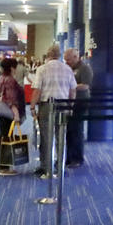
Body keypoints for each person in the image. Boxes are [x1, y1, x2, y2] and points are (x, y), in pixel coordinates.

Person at [29, 45, 76, 178]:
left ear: (48, 55)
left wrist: (32, 106)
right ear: (59, 55)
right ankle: (60, 166)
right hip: (63, 105)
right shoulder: (67, 69)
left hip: (47, 105)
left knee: (46, 137)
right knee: (61, 137)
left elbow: (37, 90)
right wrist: (71, 106)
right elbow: (73, 90)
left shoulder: (42, 69)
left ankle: (46, 167)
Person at [0, 57, 25, 176]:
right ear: (12, 68)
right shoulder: (10, 80)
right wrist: (16, 113)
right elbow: (11, 99)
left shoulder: (1, 78)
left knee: (4, 137)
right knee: (7, 138)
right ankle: (4, 167)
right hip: (8, 111)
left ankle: (3, 165)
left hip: (1, 110)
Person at [63, 48, 93, 168]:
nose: (66, 62)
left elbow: (85, 86)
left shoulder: (85, 68)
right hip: (70, 102)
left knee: (77, 131)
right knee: (69, 131)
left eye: (68, 59)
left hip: (81, 102)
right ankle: (69, 157)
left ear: (76, 57)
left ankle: (77, 158)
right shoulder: (69, 68)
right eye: (65, 60)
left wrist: (71, 87)